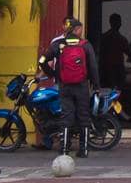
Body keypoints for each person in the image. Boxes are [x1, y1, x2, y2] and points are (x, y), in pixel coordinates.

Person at [40, 17, 97, 155]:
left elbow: (42, 61)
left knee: (66, 116)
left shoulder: (58, 45)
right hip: (82, 86)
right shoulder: (85, 45)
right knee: (83, 116)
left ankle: (64, 148)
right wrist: (96, 85)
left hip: (64, 85)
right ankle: (83, 150)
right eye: (80, 29)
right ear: (77, 30)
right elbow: (93, 66)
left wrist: (52, 74)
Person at [97, 12, 130, 88]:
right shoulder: (121, 38)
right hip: (116, 71)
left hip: (105, 71)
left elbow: (100, 55)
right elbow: (130, 53)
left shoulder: (104, 37)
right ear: (119, 24)